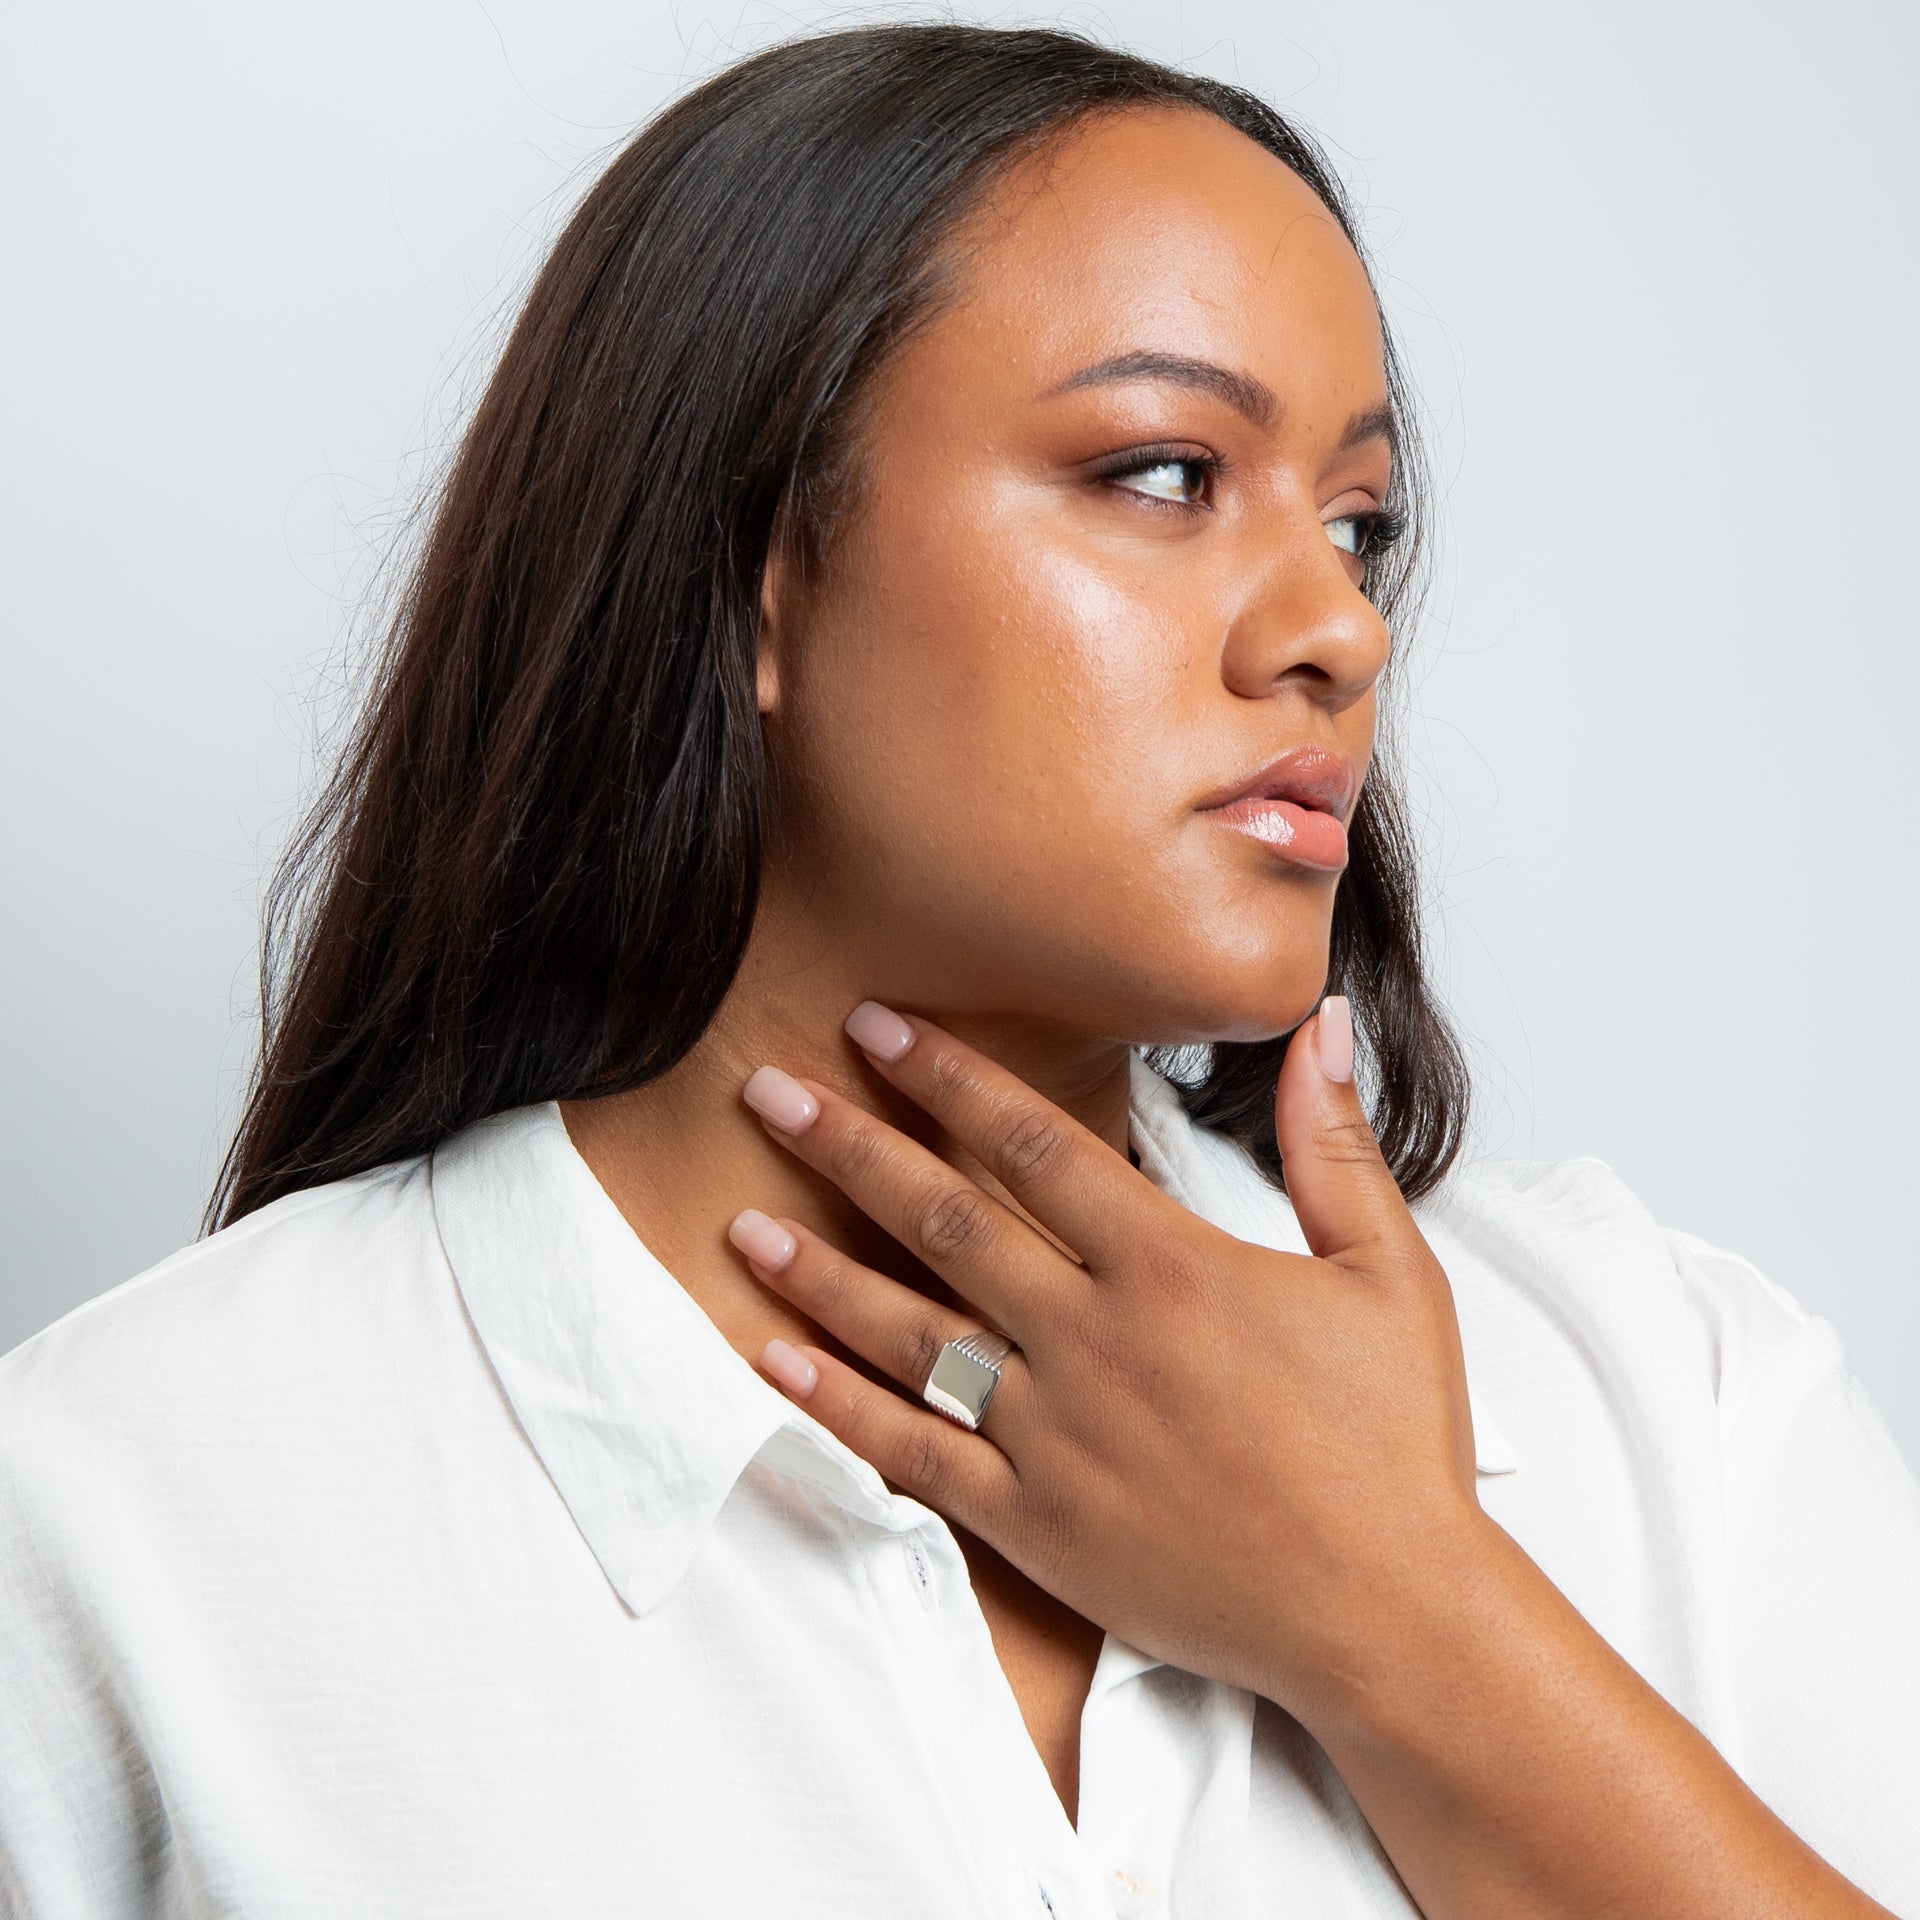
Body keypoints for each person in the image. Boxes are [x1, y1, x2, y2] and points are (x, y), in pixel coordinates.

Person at [1, 22, 1914, 1919]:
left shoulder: (1663, 1396)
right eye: (1166, 472)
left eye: (1359, 521)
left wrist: (1403, 1610)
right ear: (753, 567)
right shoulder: (123, 1523)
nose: (1341, 623)